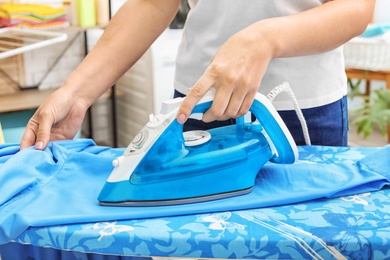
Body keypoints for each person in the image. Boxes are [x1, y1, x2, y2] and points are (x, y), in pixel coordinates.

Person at [20, 0, 375, 150]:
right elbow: (153, 3)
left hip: (302, 111)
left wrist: (265, 38)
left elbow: (355, 7)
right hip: (199, 104)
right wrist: (77, 93)